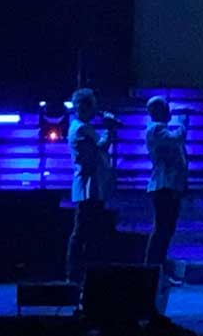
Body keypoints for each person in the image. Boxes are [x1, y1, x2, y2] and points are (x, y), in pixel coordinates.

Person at [66, 88, 117, 284]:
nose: (96, 109)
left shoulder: (81, 127)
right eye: (93, 105)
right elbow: (101, 146)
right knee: (82, 231)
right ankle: (75, 273)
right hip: (88, 186)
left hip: (90, 186)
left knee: (85, 231)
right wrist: (109, 128)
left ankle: (80, 273)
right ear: (84, 107)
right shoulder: (82, 128)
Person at [145, 96, 188, 286]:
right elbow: (176, 138)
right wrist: (183, 123)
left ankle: (159, 271)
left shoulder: (160, 129)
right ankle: (152, 270)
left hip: (169, 185)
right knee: (162, 230)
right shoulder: (156, 129)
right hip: (163, 186)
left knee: (166, 230)